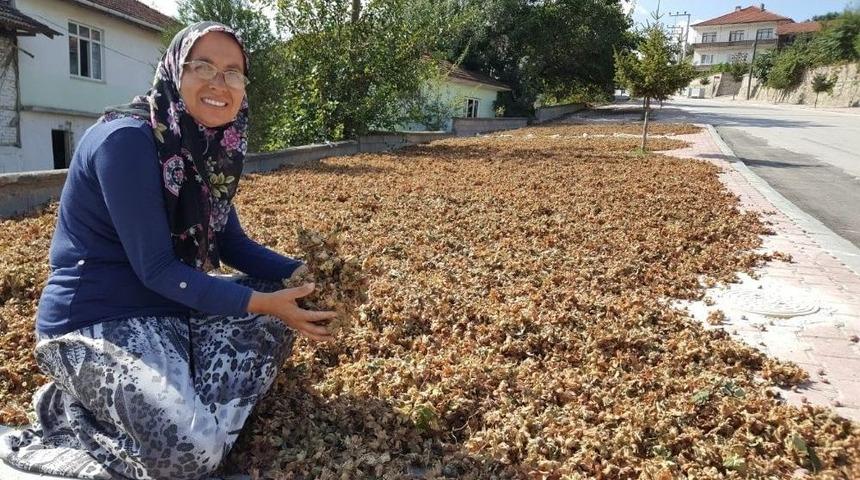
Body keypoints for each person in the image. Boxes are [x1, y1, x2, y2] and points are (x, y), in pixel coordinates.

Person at [0, 22, 335, 480]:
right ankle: (72, 408)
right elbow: (156, 268)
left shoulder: (205, 149)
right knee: (191, 454)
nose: (220, 84)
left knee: (281, 302)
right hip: (97, 321)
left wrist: (305, 276)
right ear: (175, 70)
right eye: (204, 67)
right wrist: (262, 302)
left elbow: (231, 243)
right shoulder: (125, 141)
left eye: (233, 73)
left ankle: (160, 404)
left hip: (169, 311)